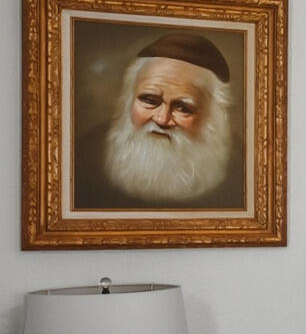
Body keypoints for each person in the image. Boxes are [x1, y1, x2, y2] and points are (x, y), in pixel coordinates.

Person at [72, 31, 245, 208]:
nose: (162, 119)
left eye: (183, 108)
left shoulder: (244, 171)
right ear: (129, 99)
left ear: (212, 117)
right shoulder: (83, 156)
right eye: (149, 100)